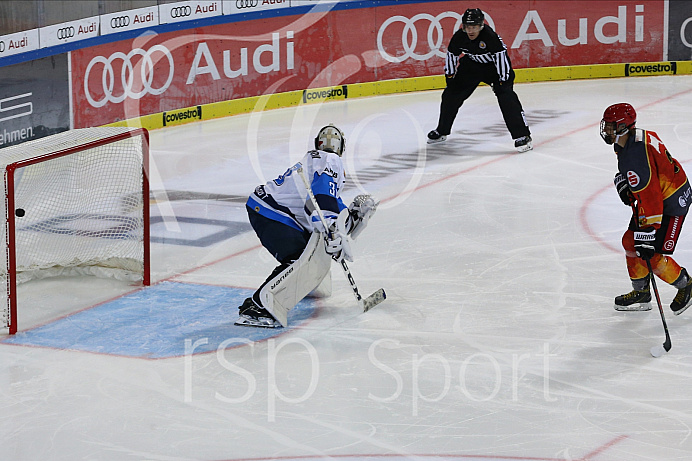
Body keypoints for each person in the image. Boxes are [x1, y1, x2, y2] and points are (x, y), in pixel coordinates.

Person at [237, 124, 377, 327]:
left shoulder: (314, 161)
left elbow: (325, 206)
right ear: (342, 147)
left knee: (310, 252)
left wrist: (347, 222)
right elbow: (322, 198)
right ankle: (258, 307)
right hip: (271, 212)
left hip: (269, 209)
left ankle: (305, 286)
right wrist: (331, 228)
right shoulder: (332, 160)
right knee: (299, 258)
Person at [601, 103, 692, 314]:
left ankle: (686, 285)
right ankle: (641, 293)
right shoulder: (629, 140)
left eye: (610, 126)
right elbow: (647, 179)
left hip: (671, 203)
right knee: (630, 241)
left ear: (623, 127)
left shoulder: (635, 157)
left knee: (651, 254)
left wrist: (649, 231)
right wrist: (627, 184)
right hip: (661, 196)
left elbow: (651, 197)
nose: (606, 130)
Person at [427, 8, 532, 153]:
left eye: (474, 27)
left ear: (481, 26)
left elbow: (501, 57)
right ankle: (442, 131)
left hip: (494, 68)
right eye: (468, 27)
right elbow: (452, 55)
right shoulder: (459, 37)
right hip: (471, 66)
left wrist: (504, 81)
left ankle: (522, 135)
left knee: (507, 97)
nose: (471, 30)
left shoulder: (490, 37)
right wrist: (450, 77)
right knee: (450, 95)